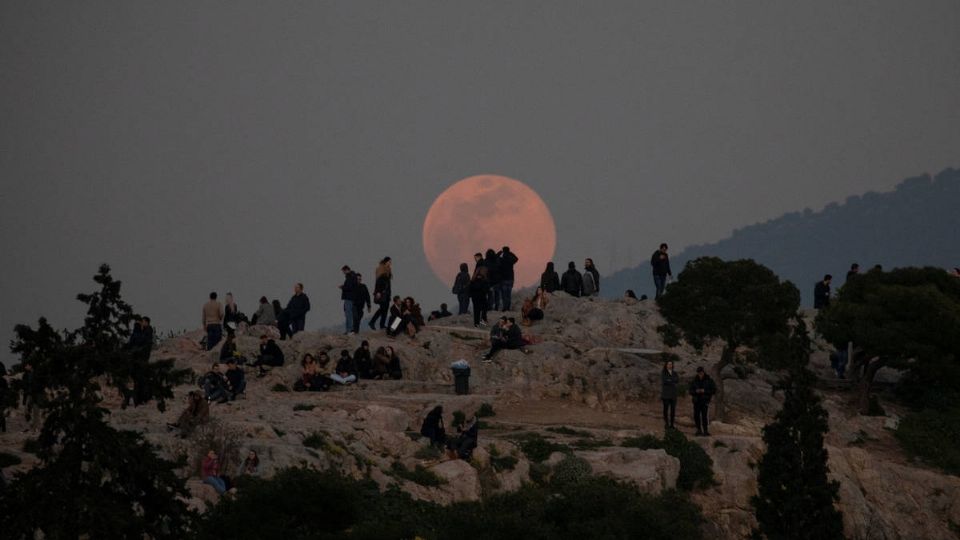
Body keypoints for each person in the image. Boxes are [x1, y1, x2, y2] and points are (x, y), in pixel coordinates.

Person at [689, 367, 717, 436]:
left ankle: (705, 431)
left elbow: (713, 390)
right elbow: (690, 391)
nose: (700, 374)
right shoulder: (694, 381)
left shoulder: (709, 380)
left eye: (701, 373)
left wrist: (705, 391)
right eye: (699, 373)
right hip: (696, 401)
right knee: (696, 416)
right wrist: (696, 391)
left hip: (705, 401)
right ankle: (699, 430)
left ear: (703, 372)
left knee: (704, 416)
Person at [369, 257, 393, 330]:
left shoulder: (388, 270)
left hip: (387, 293)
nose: (390, 263)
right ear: (386, 262)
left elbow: (387, 283)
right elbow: (378, 282)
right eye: (389, 262)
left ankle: (382, 325)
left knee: (385, 309)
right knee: (382, 309)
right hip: (382, 293)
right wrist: (378, 292)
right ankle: (372, 322)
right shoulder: (381, 269)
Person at [497, 246, 519, 311]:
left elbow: (495, 258)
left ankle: (504, 308)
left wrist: (499, 252)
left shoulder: (501, 260)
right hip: (510, 279)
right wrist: (510, 253)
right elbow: (516, 258)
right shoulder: (510, 260)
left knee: (504, 295)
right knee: (508, 295)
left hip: (503, 279)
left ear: (503, 251)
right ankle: (508, 308)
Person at [339, 265, 358, 334]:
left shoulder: (350, 277)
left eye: (343, 271)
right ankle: (348, 330)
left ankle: (350, 329)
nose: (343, 273)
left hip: (348, 297)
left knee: (348, 314)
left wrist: (343, 287)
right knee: (348, 313)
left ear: (346, 270)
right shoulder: (353, 276)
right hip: (350, 297)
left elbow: (349, 287)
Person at [661, 361, 680, 430]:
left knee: (673, 410)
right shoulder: (664, 373)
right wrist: (672, 381)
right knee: (665, 409)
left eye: (671, 364)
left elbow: (677, 380)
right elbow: (665, 381)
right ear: (666, 365)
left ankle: (672, 424)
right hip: (666, 394)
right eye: (668, 364)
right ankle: (666, 423)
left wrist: (670, 380)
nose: (670, 365)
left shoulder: (674, 373)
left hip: (673, 395)